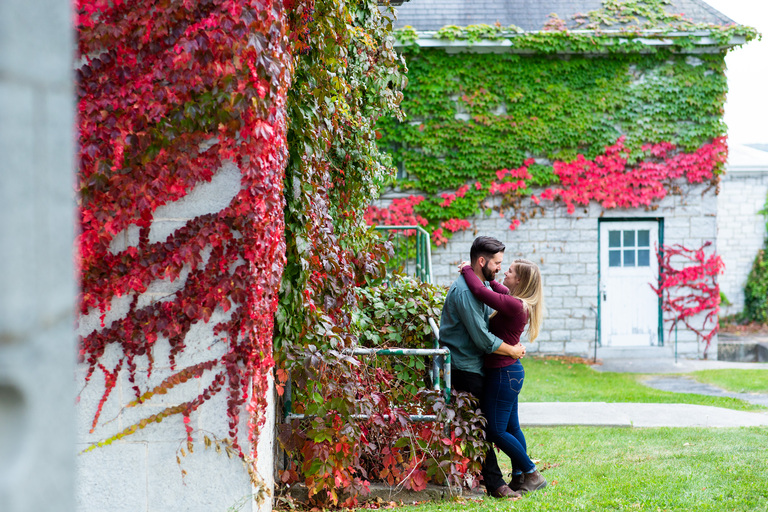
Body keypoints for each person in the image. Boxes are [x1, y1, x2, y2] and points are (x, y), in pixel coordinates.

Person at [439, 236, 526, 499]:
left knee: (496, 425)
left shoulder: (477, 284)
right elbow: (481, 338)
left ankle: (520, 475)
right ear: (482, 261)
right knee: (484, 427)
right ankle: (497, 484)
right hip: (465, 367)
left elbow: (496, 298)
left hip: (475, 364)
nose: (500, 268)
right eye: (497, 263)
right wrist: (512, 350)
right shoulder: (466, 291)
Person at [459, 257, 547, 495]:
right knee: (513, 427)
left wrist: (467, 268)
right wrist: (483, 273)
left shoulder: (515, 305)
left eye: (509, 271)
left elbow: (480, 290)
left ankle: (532, 472)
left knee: (495, 431)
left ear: (519, 280)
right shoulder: (516, 302)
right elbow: (495, 287)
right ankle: (519, 477)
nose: (503, 273)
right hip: (511, 372)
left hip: (503, 373)